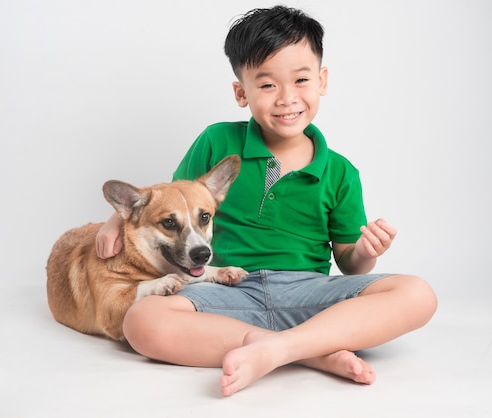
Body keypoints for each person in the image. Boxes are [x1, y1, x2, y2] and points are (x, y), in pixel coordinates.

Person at [96, 5, 437, 397]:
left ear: (322, 81)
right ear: (241, 92)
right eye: (267, 85)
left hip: (308, 291)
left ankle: (280, 347)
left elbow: (351, 265)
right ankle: (311, 352)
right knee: (141, 321)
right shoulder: (217, 140)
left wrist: (365, 250)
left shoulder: (341, 172)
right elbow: (167, 202)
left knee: (417, 294)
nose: (287, 98)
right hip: (226, 288)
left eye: (301, 80)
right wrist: (114, 221)